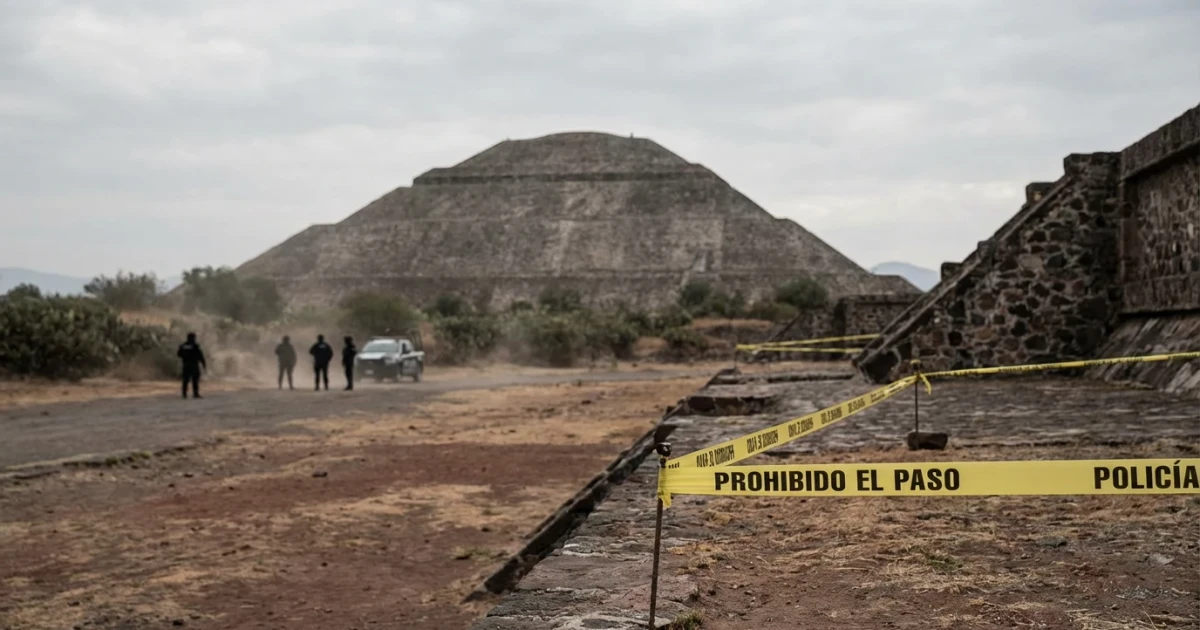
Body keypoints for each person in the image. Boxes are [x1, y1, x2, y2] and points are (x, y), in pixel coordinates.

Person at [177, 332, 207, 399]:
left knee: (185, 380)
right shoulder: (195, 346)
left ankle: (184, 394)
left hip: (186, 365)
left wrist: (185, 356)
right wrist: (203, 364)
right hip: (194, 365)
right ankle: (195, 393)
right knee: (195, 380)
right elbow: (200, 355)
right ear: (193, 338)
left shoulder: (183, 345)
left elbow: (179, 354)